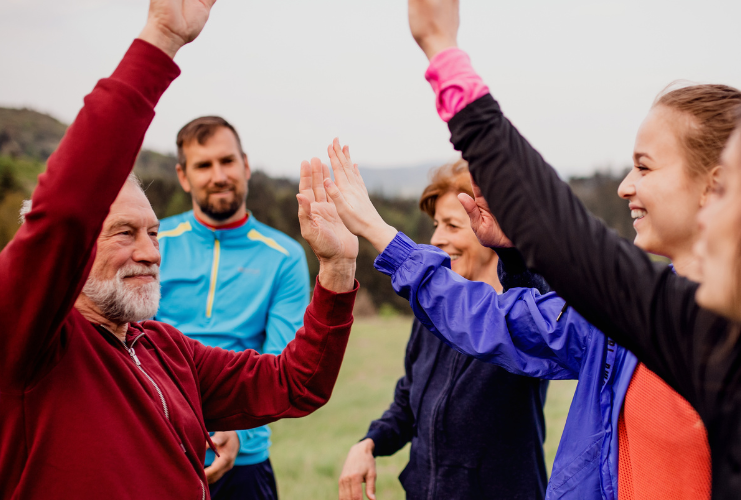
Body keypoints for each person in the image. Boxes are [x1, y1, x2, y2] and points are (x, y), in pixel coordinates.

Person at [398, 1, 741, 498]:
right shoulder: (689, 330)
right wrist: (444, 54)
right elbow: (562, 251)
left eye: (732, 189)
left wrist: (443, 50)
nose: (626, 187)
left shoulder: (727, 352)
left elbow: (563, 236)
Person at [319, 76, 741, 498]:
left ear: (715, 185)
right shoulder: (622, 321)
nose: (624, 187)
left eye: (645, 166)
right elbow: (498, 320)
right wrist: (383, 237)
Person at [0, 1, 360, 498]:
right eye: (124, 233)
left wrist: (338, 266)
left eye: (153, 233)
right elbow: (65, 208)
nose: (151, 252)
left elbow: (295, 382)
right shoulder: (31, 340)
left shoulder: (165, 348)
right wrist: (161, 38)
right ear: (73, 250)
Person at [337, 160, 550, 500]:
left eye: (452, 225)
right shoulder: (431, 313)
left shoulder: (522, 315)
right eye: (437, 225)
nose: (437, 238)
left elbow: (535, 304)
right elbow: (410, 402)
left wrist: (511, 253)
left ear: (491, 227)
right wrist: (370, 443)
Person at [156, 116, 311, 499]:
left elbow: (279, 365)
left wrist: (240, 434)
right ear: (183, 176)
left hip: (245, 460)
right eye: (203, 165)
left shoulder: (285, 256)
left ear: (245, 165)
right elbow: (133, 349)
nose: (219, 176)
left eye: (227, 161)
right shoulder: (153, 243)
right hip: (159, 450)